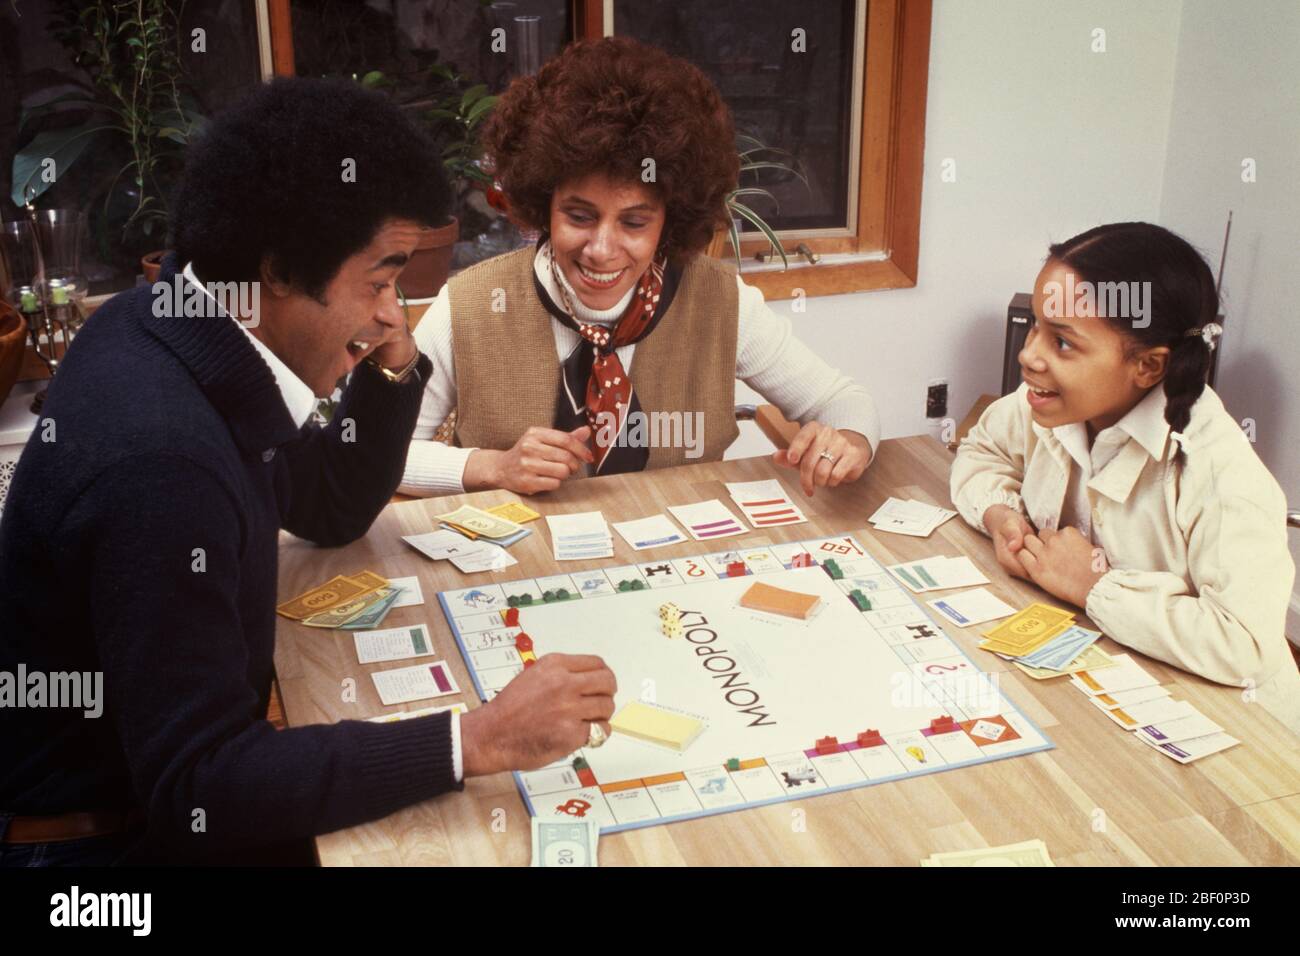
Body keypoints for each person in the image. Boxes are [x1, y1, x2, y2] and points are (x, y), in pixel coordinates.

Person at [0, 78, 615, 865]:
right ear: (280, 272)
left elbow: (326, 507)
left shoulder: (172, 325)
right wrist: (477, 739)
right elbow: (203, 786)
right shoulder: (164, 465)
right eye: (383, 277)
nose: (395, 310)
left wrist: (390, 365)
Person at [399, 36, 879, 500]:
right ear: (543, 204)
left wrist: (848, 442)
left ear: (671, 219)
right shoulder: (471, 305)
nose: (602, 250)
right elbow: (381, 454)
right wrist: (492, 467)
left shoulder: (721, 303)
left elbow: (844, 401)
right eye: (579, 216)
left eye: (634, 222)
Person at [951, 221, 1300, 733]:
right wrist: (1002, 514)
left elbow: (1243, 645)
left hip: (1246, 738)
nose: (1029, 355)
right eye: (1036, 327)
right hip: (1115, 687)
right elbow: (981, 450)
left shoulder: (1220, 473)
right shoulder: (1047, 406)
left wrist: (1094, 586)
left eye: (1063, 343)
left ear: (1148, 366)